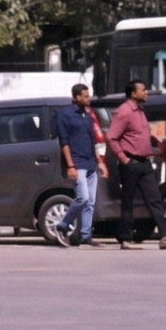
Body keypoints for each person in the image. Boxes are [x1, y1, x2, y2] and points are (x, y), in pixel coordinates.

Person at [103, 80, 166, 249]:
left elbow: (138, 136)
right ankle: (125, 238)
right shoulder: (124, 112)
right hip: (130, 163)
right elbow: (111, 137)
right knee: (128, 201)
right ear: (133, 93)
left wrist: (155, 148)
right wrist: (124, 159)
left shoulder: (140, 111)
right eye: (143, 90)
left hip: (144, 163)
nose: (147, 93)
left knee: (155, 200)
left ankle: (165, 236)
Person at [56, 83, 105, 246]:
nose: (88, 98)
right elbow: (64, 142)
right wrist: (70, 166)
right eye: (85, 96)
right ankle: (63, 225)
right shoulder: (65, 114)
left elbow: (92, 140)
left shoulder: (88, 115)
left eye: (88, 95)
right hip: (77, 163)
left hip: (90, 162)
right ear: (76, 97)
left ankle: (86, 235)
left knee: (90, 201)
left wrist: (100, 162)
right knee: (82, 197)